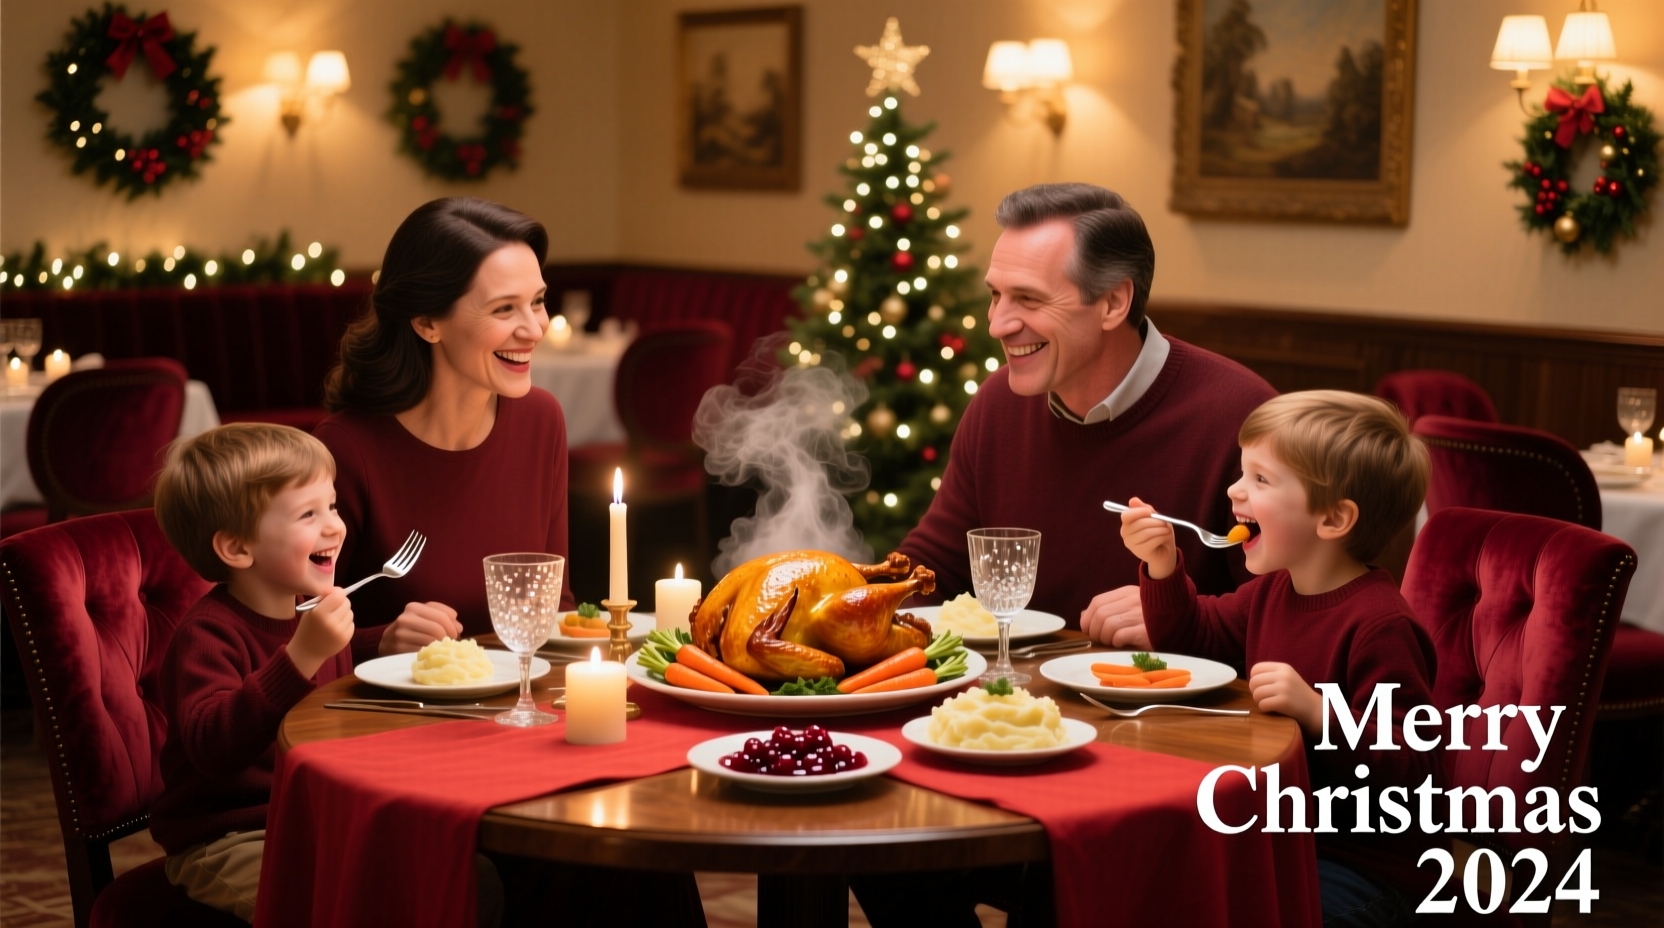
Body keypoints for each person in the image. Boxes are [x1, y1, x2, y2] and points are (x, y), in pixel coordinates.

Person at [894, 183, 1275, 641]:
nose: (998, 324)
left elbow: (1297, 605)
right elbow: (933, 568)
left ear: (1114, 302)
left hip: (1175, 707)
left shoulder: (1241, 415)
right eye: (996, 295)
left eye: (1029, 299)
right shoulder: (998, 403)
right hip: (1017, 702)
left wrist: (1180, 613)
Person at [1118, 390, 1441, 927]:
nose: (1233, 490)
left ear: (1334, 519)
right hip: (1280, 841)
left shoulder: (1381, 626)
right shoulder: (1272, 591)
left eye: (1260, 480)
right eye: (1243, 473)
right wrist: (1161, 564)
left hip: (1365, 870)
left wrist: (1319, 714)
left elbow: (1418, 769)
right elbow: (1192, 639)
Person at [148, 423, 483, 923]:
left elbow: (333, 660)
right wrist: (300, 657)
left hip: (316, 817)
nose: (335, 526)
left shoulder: (306, 612)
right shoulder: (208, 634)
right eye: (309, 514)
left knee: (466, 875)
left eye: (331, 506)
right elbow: (213, 746)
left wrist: (382, 641)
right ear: (237, 549)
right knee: (351, 909)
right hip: (229, 841)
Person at [317, 197, 576, 637]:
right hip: (389, 706)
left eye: (537, 301)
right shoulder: (346, 449)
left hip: (522, 701)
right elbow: (290, 633)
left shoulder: (541, 420)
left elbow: (556, 608)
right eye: (503, 308)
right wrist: (379, 642)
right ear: (426, 322)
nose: (535, 329)